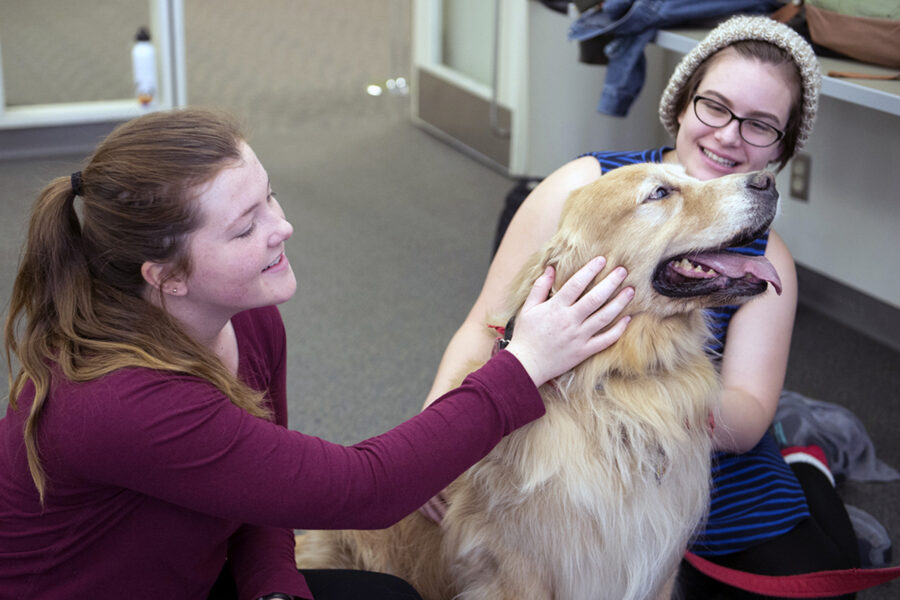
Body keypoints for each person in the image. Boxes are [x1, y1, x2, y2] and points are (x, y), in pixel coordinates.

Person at [0, 108, 635, 600]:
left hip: (190, 579)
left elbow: (261, 494)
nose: (283, 227)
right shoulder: (117, 399)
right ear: (166, 276)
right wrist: (523, 363)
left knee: (382, 596)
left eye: (269, 197)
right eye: (246, 226)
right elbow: (363, 488)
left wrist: (274, 588)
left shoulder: (247, 324)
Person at [423, 15, 860, 600]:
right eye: (715, 107)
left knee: (827, 584)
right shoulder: (582, 188)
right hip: (571, 425)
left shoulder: (765, 258)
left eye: (760, 125)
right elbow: (486, 326)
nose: (729, 136)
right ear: (682, 105)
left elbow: (749, 409)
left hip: (711, 455)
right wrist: (433, 438)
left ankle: (809, 464)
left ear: (780, 149)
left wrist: (657, 403)